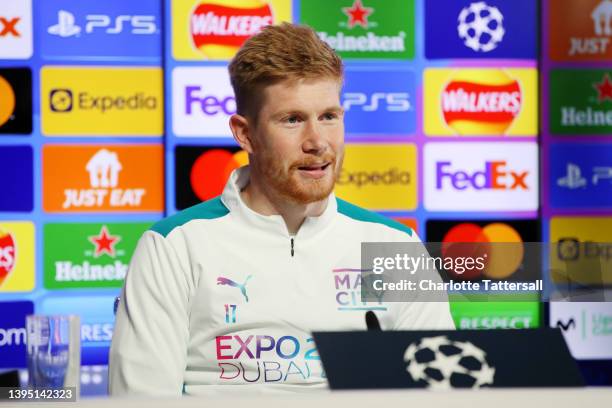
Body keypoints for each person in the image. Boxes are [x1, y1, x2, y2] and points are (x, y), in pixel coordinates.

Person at [109, 22, 454, 397]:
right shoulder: (173, 246)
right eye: (292, 120)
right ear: (245, 134)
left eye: (329, 117)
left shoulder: (395, 245)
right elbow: (142, 400)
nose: (318, 143)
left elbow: (441, 392)